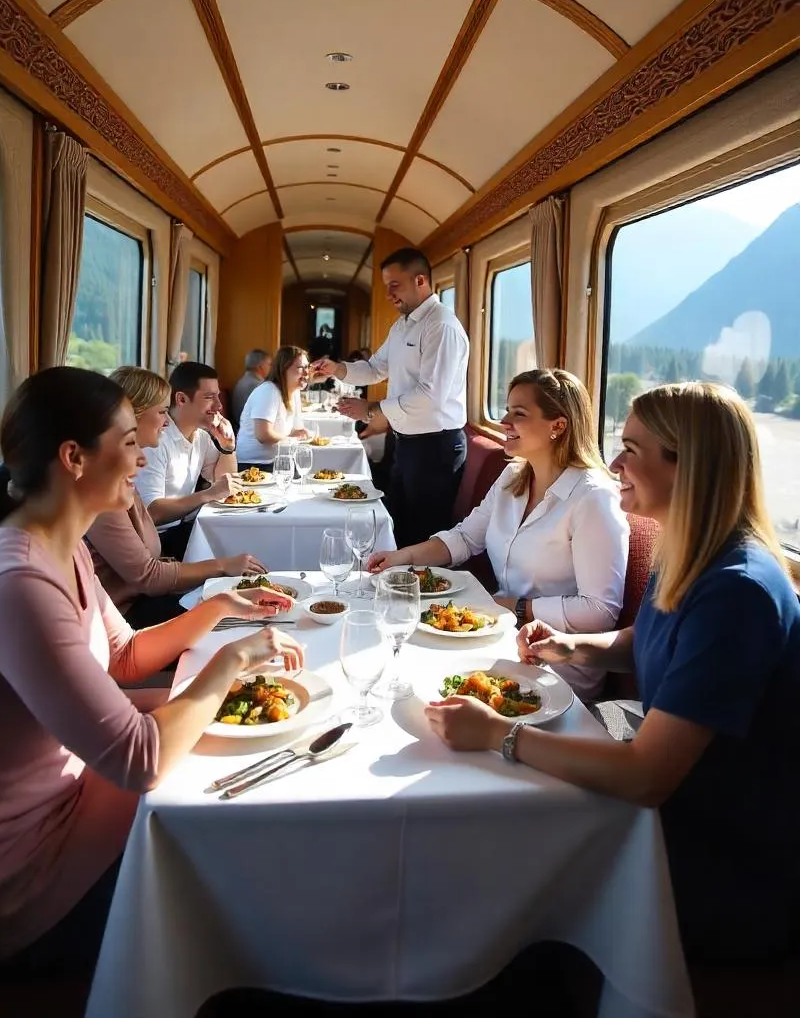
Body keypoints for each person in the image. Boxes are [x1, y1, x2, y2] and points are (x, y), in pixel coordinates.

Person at [0, 367, 301, 970]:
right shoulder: (16, 583)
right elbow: (141, 759)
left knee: (236, 761)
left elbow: (124, 655)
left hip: (60, 804)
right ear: (74, 457)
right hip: (6, 879)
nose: (144, 453)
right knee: (242, 888)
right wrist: (232, 660)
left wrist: (218, 608)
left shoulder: (64, 545)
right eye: (129, 441)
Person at [425, 381, 800, 964]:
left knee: (480, 851)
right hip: (677, 798)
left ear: (691, 465)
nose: (616, 463)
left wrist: (500, 735)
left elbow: (647, 776)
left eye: (633, 450)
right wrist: (577, 647)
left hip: (715, 844)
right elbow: (645, 640)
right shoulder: (693, 549)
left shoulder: (738, 591)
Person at [369, 368, 629, 701]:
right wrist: (399, 557)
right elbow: (465, 538)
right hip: (498, 629)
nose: (505, 420)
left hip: (554, 663)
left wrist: (515, 608)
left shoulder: (594, 498)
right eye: (506, 410)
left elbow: (599, 610)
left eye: (519, 414)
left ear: (558, 426)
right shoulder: (512, 477)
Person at [86, 366, 268, 628]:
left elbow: (224, 483)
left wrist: (228, 448)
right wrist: (221, 566)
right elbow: (148, 576)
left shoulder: (120, 473)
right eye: (162, 412)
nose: (167, 421)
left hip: (147, 590)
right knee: (238, 615)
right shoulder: (104, 488)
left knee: (242, 594)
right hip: (124, 615)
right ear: (130, 418)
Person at [314, 247, 469, 546]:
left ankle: (420, 592)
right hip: (406, 443)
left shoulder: (441, 326)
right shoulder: (402, 326)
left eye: (394, 285)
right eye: (386, 287)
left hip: (435, 448)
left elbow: (430, 396)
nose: (388, 294)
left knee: (423, 534)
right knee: (399, 528)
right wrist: (337, 369)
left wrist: (371, 408)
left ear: (420, 280)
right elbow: (374, 368)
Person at [135, 361, 237, 560]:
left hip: (185, 528)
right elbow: (151, 512)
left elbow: (225, 483)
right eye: (209, 397)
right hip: (161, 540)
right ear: (181, 399)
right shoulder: (155, 441)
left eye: (217, 396)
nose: (219, 405)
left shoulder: (202, 436)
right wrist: (206, 495)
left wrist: (227, 447)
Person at [235, 345, 311, 470]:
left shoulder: (294, 391)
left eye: (308, 367)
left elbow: (289, 430)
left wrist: (297, 433)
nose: (307, 372)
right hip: (254, 464)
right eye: (301, 367)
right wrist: (292, 439)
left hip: (279, 459)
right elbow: (263, 435)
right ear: (283, 369)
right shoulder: (268, 391)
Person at [230, 349, 272, 429]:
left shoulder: (243, 381)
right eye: (269, 364)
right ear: (260, 366)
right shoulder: (258, 386)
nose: (271, 368)